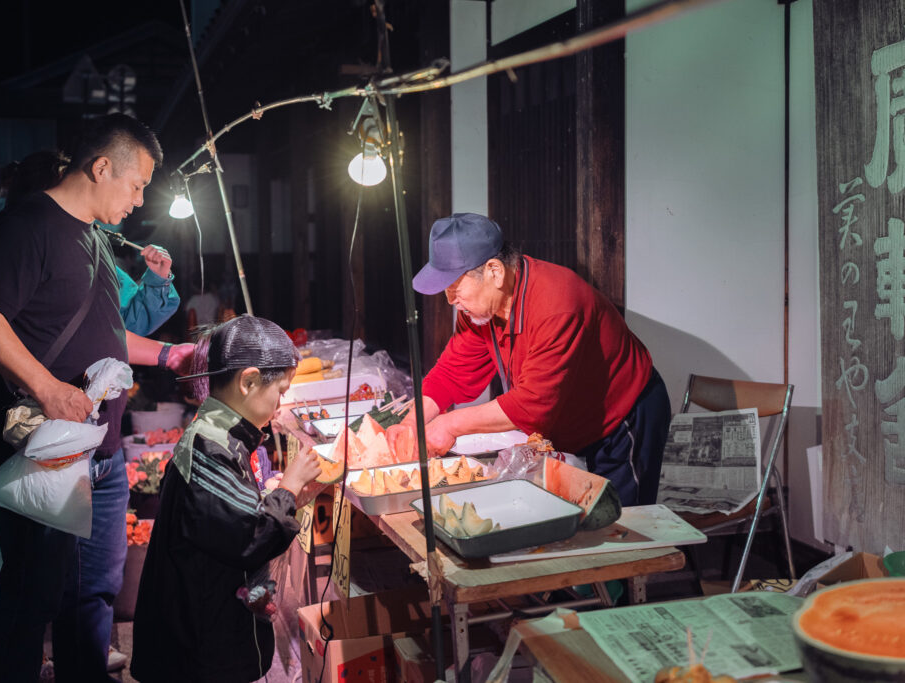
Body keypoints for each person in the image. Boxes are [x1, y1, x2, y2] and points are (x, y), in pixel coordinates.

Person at [0, 113, 193, 682]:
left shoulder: (96, 239)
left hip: (105, 451)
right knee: (31, 597)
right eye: (136, 184)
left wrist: (170, 355)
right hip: (50, 447)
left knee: (94, 596)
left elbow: (109, 333)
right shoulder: (27, 226)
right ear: (102, 166)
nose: (139, 200)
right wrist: (47, 387)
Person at [390, 213, 671, 506]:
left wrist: (449, 425)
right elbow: (451, 373)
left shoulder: (557, 303)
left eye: (454, 288)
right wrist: (413, 424)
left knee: (623, 530)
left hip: (622, 417)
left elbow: (532, 405)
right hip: (568, 423)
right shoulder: (480, 310)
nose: (450, 300)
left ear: (494, 271)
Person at [130, 315, 322, 683]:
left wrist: (281, 495)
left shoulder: (222, 436)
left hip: (211, 625)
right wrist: (289, 488)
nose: (282, 405)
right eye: (280, 391)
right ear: (248, 381)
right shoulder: (209, 446)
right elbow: (250, 538)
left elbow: (222, 528)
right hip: (197, 651)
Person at [0, 150, 181, 336]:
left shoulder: (95, 247)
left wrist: (157, 281)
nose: (139, 201)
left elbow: (125, 325)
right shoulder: (15, 237)